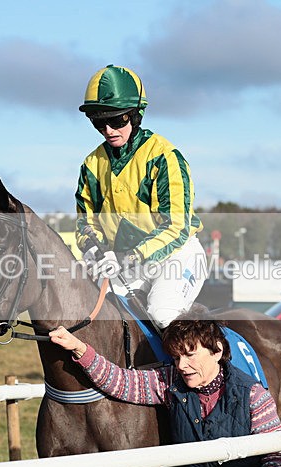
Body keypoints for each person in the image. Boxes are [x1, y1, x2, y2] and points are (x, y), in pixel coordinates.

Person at [49, 308, 281, 467]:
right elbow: (120, 382)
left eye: (190, 355)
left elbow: (276, 462)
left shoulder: (254, 396)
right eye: (176, 357)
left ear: (217, 350)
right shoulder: (169, 382)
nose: (182, 366)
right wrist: (79, 348)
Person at [75, 65, 207, 329]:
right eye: (99, 122)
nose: (109, 130)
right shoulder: (91, 164)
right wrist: (95, 250)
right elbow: (86, 223)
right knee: (108, 322)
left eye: (117, 120)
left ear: (136, 116)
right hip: (125, 263)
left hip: (177, 256)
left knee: (161, 313)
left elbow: (177, 227)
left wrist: (129, 257)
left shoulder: (165, 157)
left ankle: (214, 369)